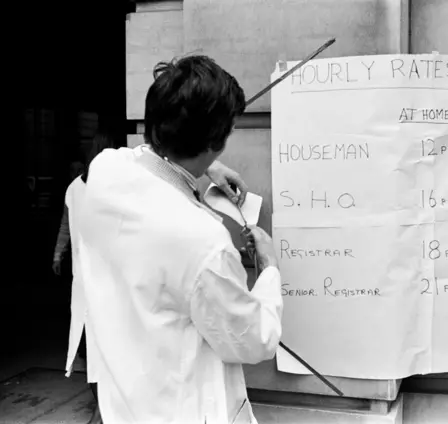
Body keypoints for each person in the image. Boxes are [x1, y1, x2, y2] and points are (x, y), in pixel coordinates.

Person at [76, 55, 283, 424]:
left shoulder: (104, 171)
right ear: (215, 143)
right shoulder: (205, 242)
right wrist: (268, 268)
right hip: (180, 408)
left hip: (122, 401)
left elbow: (139, 157)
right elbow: (254, 340)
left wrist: (203, 168)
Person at [52, 131, 115, 423]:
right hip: (112, 283)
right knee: (109, 347)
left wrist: (57, 254)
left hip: (87, 284)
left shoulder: (74, 188)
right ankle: (104, 407)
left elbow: (65, 226)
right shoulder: (116, 187)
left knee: (93, 348)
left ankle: (103, 406)